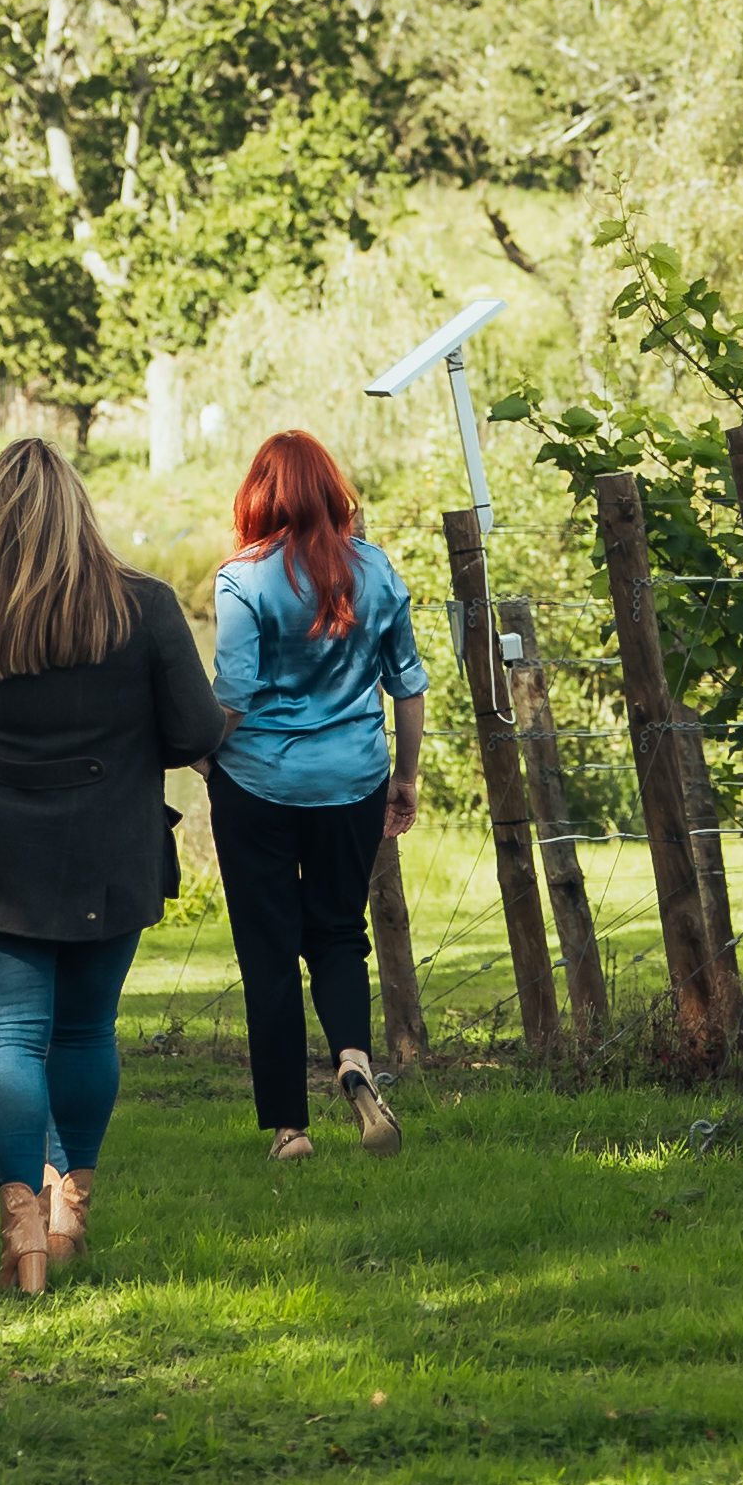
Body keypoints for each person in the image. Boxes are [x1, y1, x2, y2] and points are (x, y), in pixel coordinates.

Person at [0, 438, 219, 1295]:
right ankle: (71, 1211)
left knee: (10, 1037)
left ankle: (23, 1232)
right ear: (82, 513)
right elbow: (190, 733)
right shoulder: (145, 606)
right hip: (110, 852)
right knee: (84, 1032)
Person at [202, 430, 425, 1161]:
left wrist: (203, 753)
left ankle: (290, 1131)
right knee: (337, 934)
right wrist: (405, 778)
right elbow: (408, 686)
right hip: (352, 783)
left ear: (257, 495)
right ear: (333, 492)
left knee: (268, 952)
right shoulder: (377, 570)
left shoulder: (243, 577)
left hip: (259, 786)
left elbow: (232, 691)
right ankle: (356, 1064)